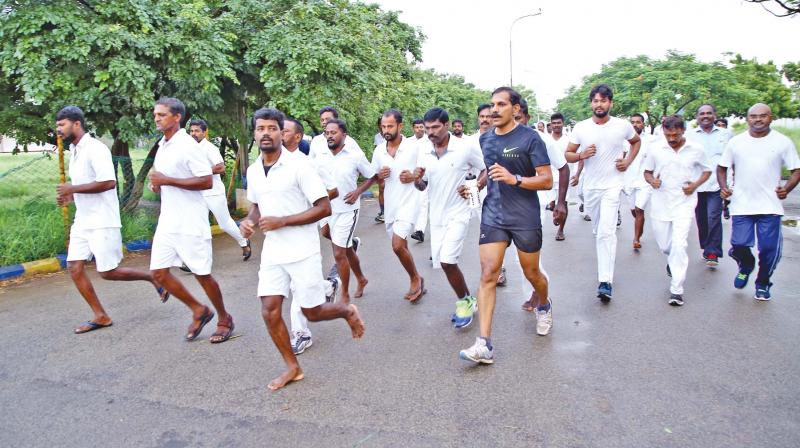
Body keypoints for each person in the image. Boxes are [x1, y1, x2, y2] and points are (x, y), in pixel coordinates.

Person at [239, 107, 365, 391]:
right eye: (261, 129)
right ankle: (292, 367)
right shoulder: (254, 170)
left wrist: (283, 220)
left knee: (312, 312)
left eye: (273, 128)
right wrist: (249, 222)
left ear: (282, 133)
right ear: (255, 133)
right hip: (273, 252)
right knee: (270, 310)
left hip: (303, 250)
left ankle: (346, 311)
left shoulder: (300, 165)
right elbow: (258, 205)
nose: (267, 133)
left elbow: (324, 207)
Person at [459, 87, 553, 365]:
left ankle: (544, 305)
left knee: (532, 272)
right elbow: (490, 170)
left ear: (515, 108)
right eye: (492, 105)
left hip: (524, 215)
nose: (495, 110)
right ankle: (484, 343)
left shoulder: (530, 138)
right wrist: (475, 185)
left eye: (501, 104)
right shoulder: (485, 139)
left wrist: (517, 180)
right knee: (489, 273)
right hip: (494, 213)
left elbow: (546, 179)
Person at [55, 106, 168, 334]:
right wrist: (71, 195)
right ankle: (101, 315)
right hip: (83, 220)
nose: (58, 130)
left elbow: (108, 182)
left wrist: (73, 187)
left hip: (102, 220)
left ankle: (153, 277)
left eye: (62, 124)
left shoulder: (96, 149)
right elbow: (86, 185)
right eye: (58, 125)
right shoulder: (75, 151)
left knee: (107, 272)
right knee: (74, 267)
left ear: (77, 124)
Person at [148, 97, 234, 343]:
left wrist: (167, 181)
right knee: (159, 274)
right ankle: (199, 310)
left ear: (177, 117)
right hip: (168, 221)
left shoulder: (188, 145)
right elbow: (165, 178)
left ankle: (224, 318)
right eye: (155, 114)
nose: (156, 118)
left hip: (190, 222)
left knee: (202, 274)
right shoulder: (163, 145)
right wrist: (158, 185)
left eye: (162, 115)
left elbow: (205, 180)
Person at [564, 84, 641, 302]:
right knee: (599, 231)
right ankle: (604, 258)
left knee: (607, 232)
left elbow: (636, 142)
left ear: (610, 103)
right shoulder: (581, 128)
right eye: (596, 101)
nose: (599, 104)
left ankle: (605, 280)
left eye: (603, 101)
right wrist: (581, 155)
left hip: (613, 185)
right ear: (591, 104)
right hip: (591, 187)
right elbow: (568, 154)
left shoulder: (622, 125)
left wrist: (627, 161)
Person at [718, 103, 800, 301]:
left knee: (768, 250)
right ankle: (746, 265)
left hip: (770, 205)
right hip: (741, 204)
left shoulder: (782, 142)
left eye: (763, 116)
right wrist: (724, 187)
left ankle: (763, 283)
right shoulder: (736, 142)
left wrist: (786, 189)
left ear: (770, 118)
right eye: (753, 116)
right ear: (748, 119)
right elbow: (722, 168)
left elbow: (796, 169)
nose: (758, 120)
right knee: (738, 244)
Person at [414, 107, 486, 328]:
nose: (431, 132)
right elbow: (422, 185)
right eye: (427, 128)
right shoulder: (424, 151)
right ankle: (467, 298)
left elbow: (487, 169)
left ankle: (464, 301)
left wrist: (473, 186)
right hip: (436, 216)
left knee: (448, 260)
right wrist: (417, 180)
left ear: (446, 126)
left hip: (459, 212)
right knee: (443, 263)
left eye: (435, 127)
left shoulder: (465, 147)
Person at [282, 117, 342, 355]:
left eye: (283, 130)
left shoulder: (310, 165)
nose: (277, 134)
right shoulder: (264, 165)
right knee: (299, 285)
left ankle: (301, 334)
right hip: (277, 237)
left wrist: (310, 205)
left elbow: (333, 192)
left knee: (298, 287)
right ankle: (328, 287)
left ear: (297, 137)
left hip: (302, 234)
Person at [643, 115, 712, 306]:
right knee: (666, 245)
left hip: (684, 202)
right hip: (660, 203)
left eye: (675, 135)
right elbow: (647, 172)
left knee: (679, 244)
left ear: (683, 131)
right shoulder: (656, 148)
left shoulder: (696, 149)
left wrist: (695, 185)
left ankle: (677, 289)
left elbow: (707, 170)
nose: (671, 139)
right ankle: (672, 261)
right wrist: (652, 181)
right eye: (668, 135)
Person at [371, 109, 426, 301]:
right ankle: (418, 277)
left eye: (390, 126)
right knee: (400, 246)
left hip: (410, 203)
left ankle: (414, 280)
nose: (386, 130)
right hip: (391, 206)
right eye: (383, 126)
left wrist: (413, 176)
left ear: (400, 126)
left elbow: (424, 174)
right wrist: (379, 176)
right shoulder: (379, 151)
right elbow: (374, 177)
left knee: (396, 245)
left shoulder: (414, 147)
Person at [188, 119, 251, 261]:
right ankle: (198, 259)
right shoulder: (189, 149)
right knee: (198, 226)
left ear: (204, 133)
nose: (193, 133)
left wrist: (202, 172)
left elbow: (220, 167)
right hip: (197, 193)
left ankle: (244, 241)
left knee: (224, 223)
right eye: (191, 131)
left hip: (213, 192)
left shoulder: (209, 148)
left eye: (197, 131)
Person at [689, 104, 731, 268]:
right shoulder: (690, 136)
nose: (705, 116)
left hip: (716, 185)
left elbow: (731, 161)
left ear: (715, 115)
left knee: (714, 217)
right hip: (696, 185)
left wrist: (728, 185)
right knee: (701, 219)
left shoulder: (726, 135)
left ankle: (713, 251)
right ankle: (706, 246)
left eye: (709, 113)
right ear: (697, 117)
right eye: (702, 114)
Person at [623, 113, 653, 250]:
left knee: (639, 209)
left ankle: (636, 239)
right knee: (634, 211)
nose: (635, 125)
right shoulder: (624, 141)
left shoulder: (652, 141)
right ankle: (639, 227)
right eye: (632, 122)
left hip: (644, 181)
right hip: (629, 180)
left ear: (643, 124)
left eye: (638, 122)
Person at [549, 113, 571, 241]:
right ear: (551, 125)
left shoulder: (568, 140)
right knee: (552, 204)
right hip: (549, 177)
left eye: (559, 123)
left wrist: (577, 174)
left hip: (563, 177)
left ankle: (561, 230)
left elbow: (575, 157)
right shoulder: (546, 139)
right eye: (554, 123)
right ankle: (555, 211)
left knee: (563, 203)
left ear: (563, 123)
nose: (556, 125)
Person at [409, 119, 428, 243]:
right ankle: (418, 229)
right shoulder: (408, 142)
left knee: (424, 204)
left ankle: (420, 230)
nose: (419, 129)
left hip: (427, 176)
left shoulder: (429, 140)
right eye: (417, 127)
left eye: (421, 127)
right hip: (413, 178)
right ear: (413, 128)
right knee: (418, 204)